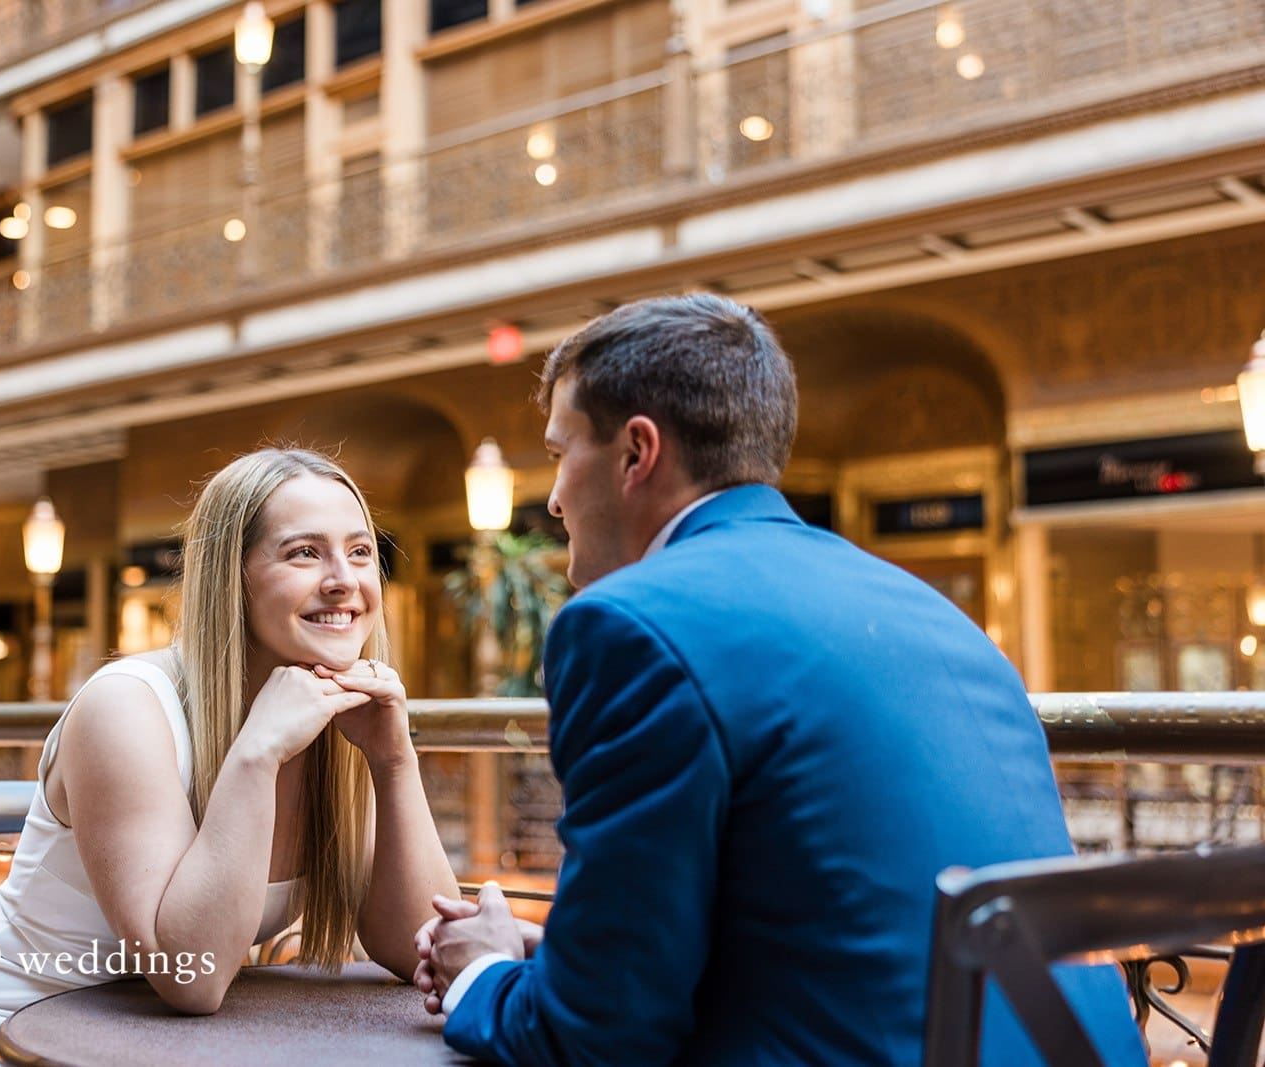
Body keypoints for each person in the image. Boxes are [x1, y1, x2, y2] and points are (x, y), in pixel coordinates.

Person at [413, 294, 1144, 1065]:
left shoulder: (629, 624)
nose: (555, 498)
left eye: (562, 454)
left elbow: (596, 1037)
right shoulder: (936, 615)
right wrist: (569, 958)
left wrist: (485, 971)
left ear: (637, 453)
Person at [0, 448, 457, 1066]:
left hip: (161, 1050)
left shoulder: (333, 714)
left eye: (360, 552)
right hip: (6, 1045)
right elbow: (189, 976)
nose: (344, 580)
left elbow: (417, 949)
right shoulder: (127, 708)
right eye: (304, 552)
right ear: (231, 578)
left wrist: (393, 762)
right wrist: (257, 753)